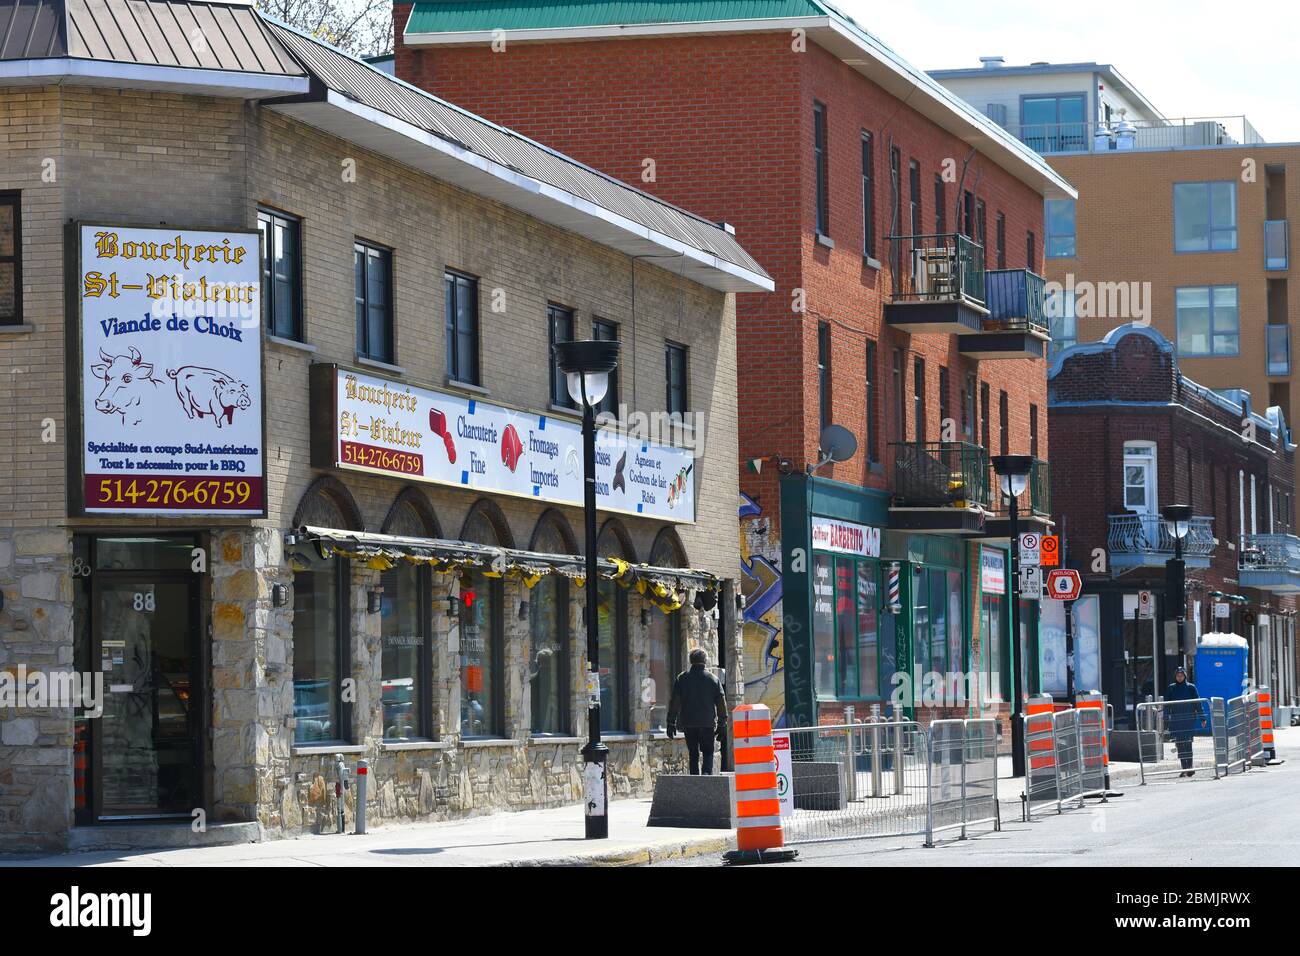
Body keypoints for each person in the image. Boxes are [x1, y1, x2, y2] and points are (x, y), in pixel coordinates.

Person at [666, 647, 728, 775]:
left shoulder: (682, 678)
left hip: (689, 722)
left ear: (690, 660)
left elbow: (675, 702)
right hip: (707, 723)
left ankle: (694, 781)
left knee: (693, 753)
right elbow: (721, 703)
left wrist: (671, 722)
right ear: (705, 661)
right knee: (708, 752)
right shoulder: (713, 679)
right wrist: (722, 724)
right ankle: (706, 777)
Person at [1164, 666, 1206, 777]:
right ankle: (1184, 768)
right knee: (1180, 745)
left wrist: (1203, 718)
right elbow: (1166, 705)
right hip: (1176, 721)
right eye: (1178, 675)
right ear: (1175, 676)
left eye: (1181, 675)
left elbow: (1198, 703)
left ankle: (1190, 767)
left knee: (1188, 744)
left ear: (1185, 676)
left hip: (1189, 720)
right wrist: (1166, 718)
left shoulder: (1191, 688)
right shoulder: (1171, 688)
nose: (1179, 677)